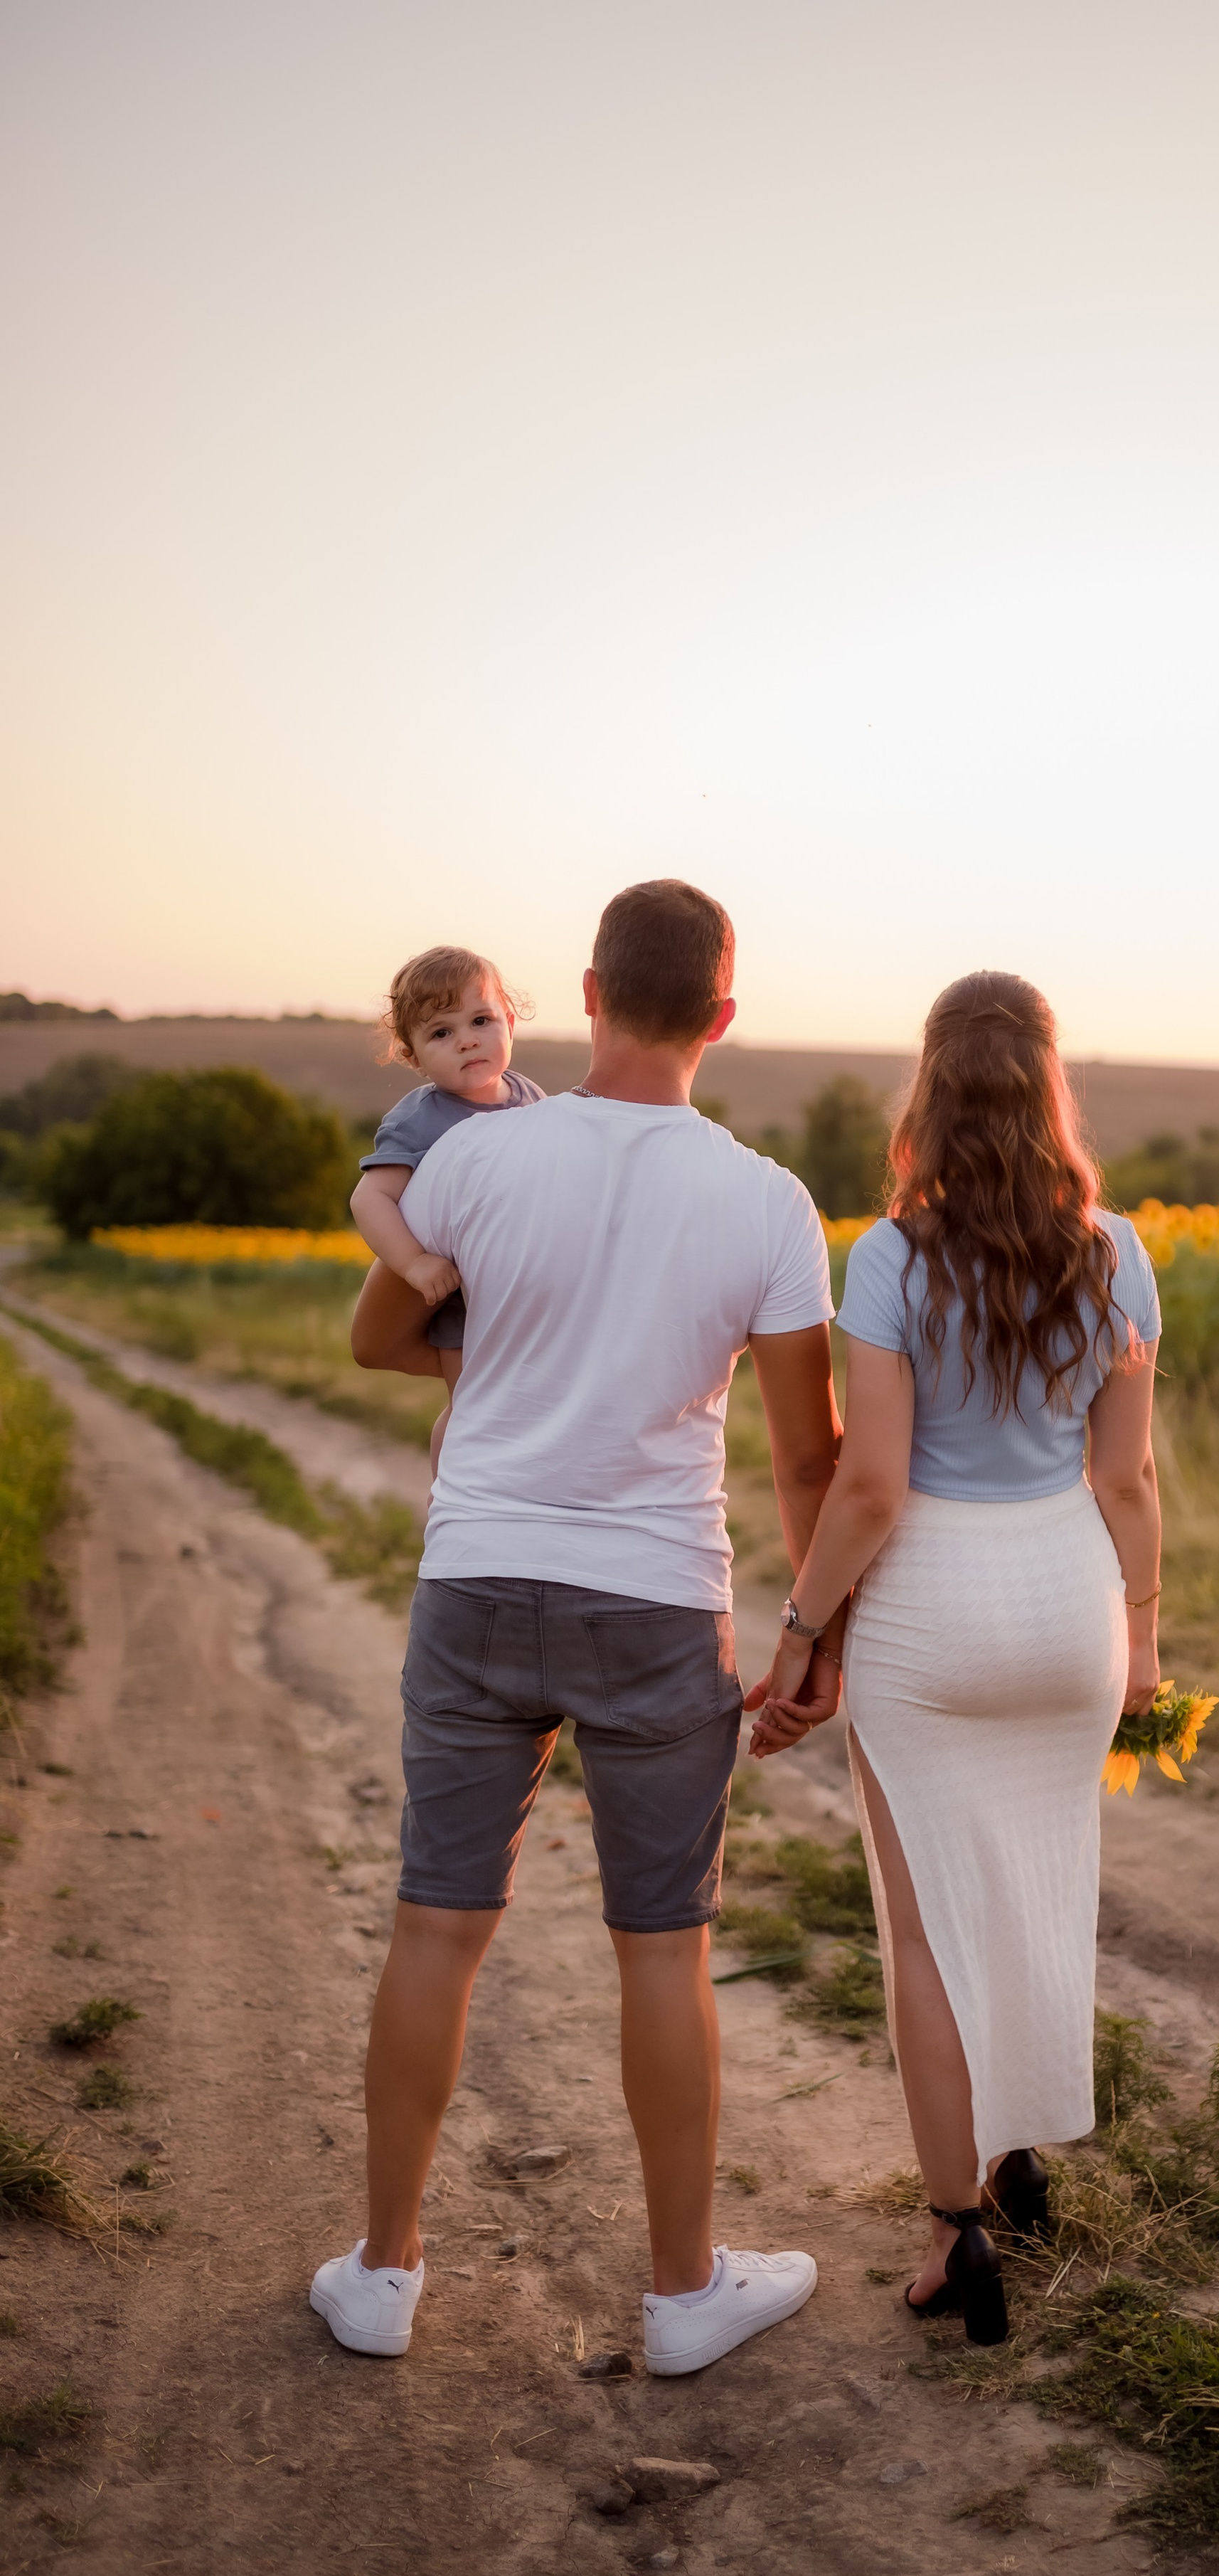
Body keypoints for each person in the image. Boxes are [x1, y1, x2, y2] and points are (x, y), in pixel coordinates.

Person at [313, 879, 843, 2372]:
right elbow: (808, 1456)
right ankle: (682, 2297)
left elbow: (375, 1335)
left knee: (438, 1921)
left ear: (591, 993)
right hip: (659, 1602)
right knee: (661, 1950)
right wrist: (813, 1631)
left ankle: (383, 2276)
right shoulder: (765, 1201)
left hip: (479, 1575)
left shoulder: (478, 1154)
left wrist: (513, 1380)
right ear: (722, 1018)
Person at [748, 972, 1162, 2343]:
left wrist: (804, 1634)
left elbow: (869, 1488)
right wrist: (1143, 1644)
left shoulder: (893, 1255)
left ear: (927, 1090)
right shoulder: (1115, 1251)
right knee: (1042, 1883)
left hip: (935, 1606)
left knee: (924, 1928)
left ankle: (958, 2232)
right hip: (1067, 1601)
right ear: (1050, 1086)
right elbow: (1130, 1479)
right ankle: (1017, 2155)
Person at [348, 948, 545, 1479]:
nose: (466, 1039)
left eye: (481, 1020)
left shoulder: (531, 1099)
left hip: (520, 1291)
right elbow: (370, 1199)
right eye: (440, 1033)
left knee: (528, 1411)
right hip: (458, 1296)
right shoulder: (419, 1120)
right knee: (472, 1411)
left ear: (510, 1020)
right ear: (412, 1054)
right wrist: (414, 1264)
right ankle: (451, 1496)